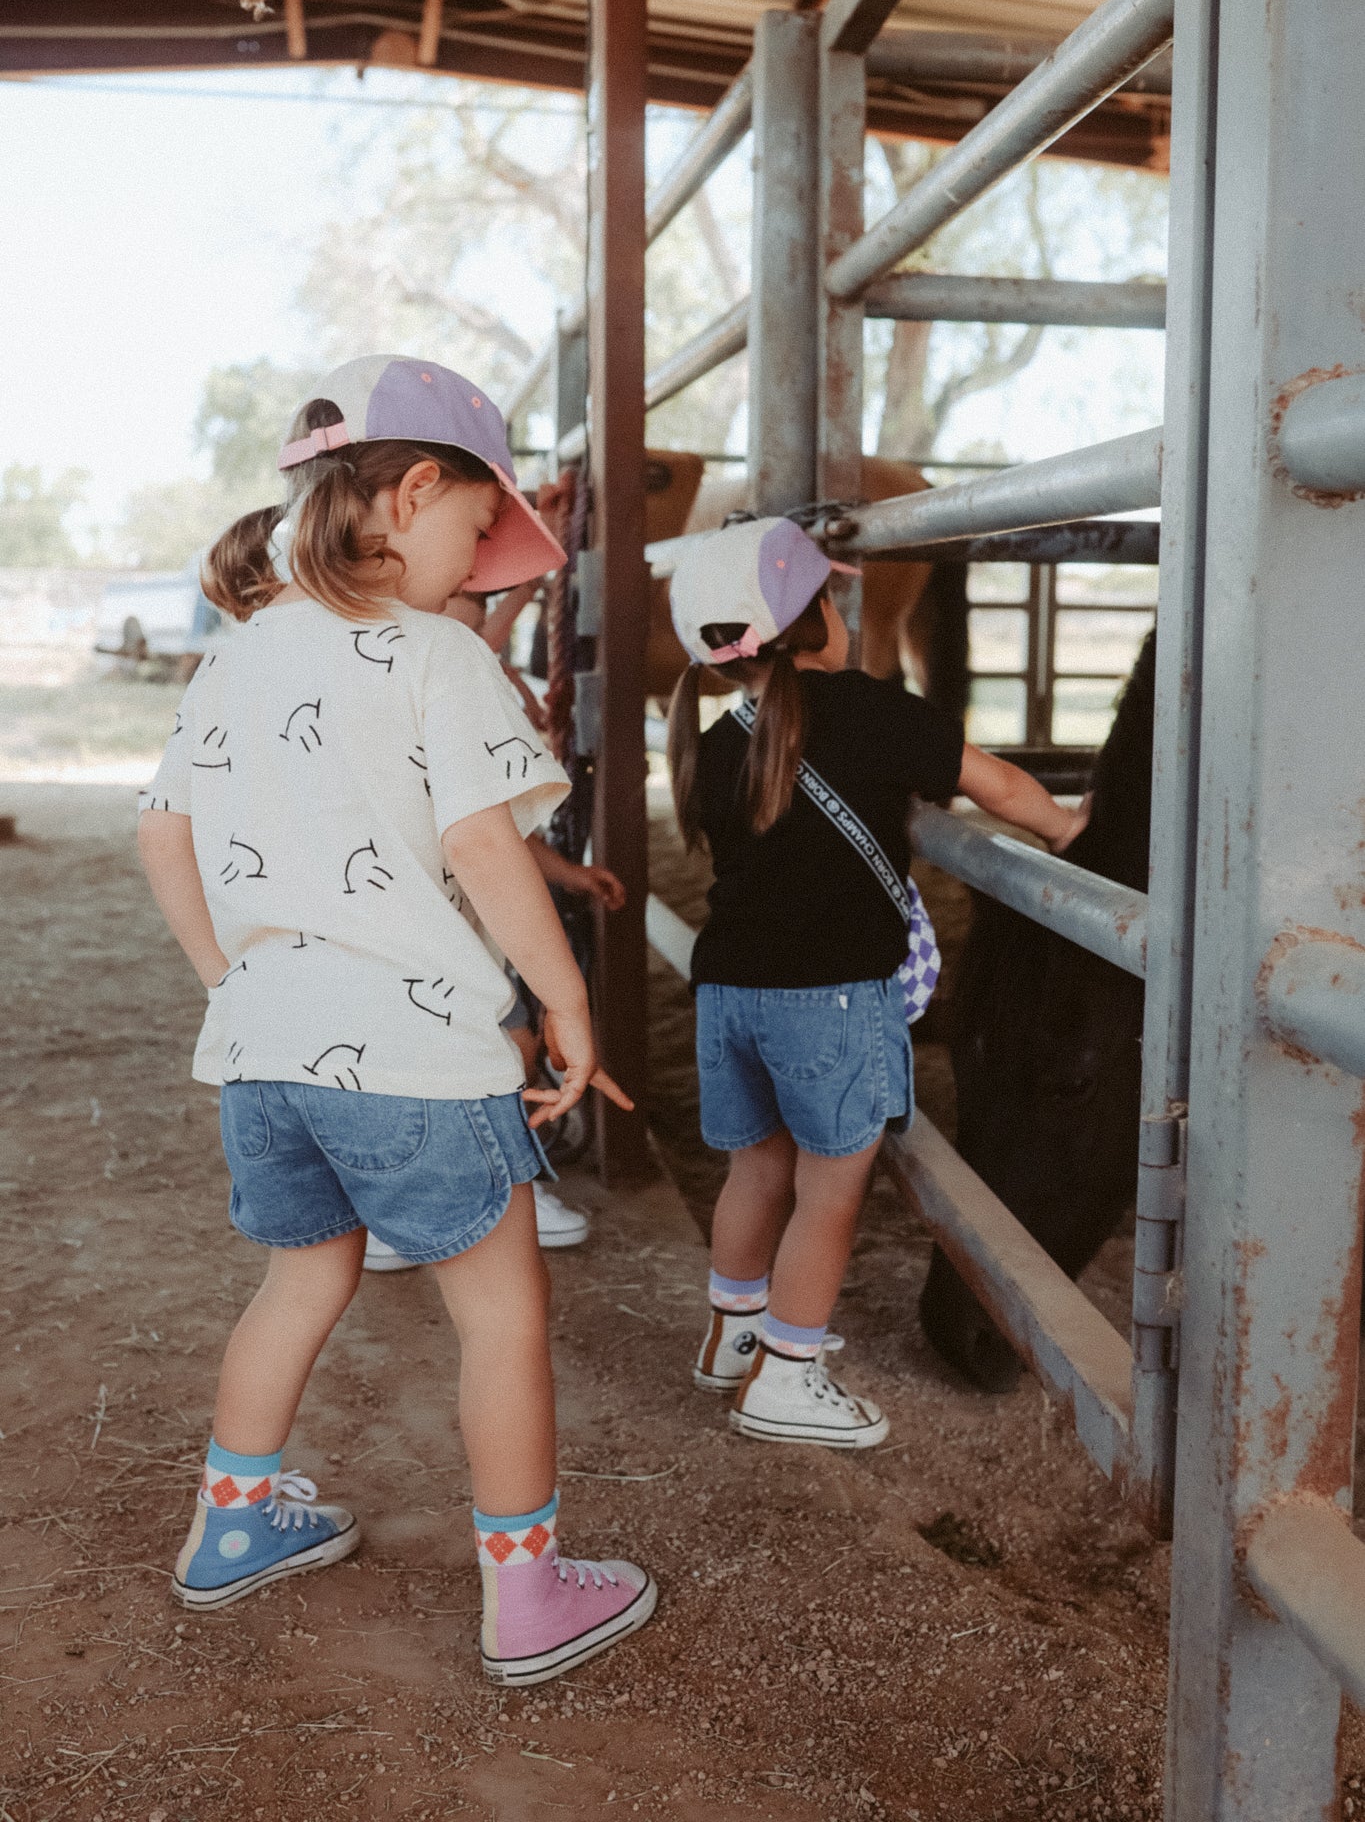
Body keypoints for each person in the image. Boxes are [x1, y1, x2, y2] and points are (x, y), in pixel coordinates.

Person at [137, 354, 656, 1684]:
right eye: (478, 531)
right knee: (499, 1312)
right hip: (417, 1057)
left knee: (301, 1275)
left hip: (263, 1051)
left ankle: (232, 1529)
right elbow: (484, 851)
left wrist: (232, 983)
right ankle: (528, 1596)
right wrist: (570, 998)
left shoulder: (236, 659)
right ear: (415, 491)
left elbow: (163, 841)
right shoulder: (435, 658)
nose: (478, 566)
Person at [666, 516, 1088, 1450]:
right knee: (830, 1190)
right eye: (831, 596)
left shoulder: (715, 740)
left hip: (727, 993)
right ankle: (789, 1374)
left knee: (756, 1167)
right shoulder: (872, 711)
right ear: (813, 623)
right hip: (830, 1000)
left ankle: (731, 1344)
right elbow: (997, 786)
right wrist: (1063, 828)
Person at [361, 583, 623, 1269]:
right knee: (508, 1044)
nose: (486, 638)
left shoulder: (375, 677)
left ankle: (397, 1217)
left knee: (458, 1052)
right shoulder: (439, 669)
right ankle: (510, 1188)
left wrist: (568, 875)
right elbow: (485, 834)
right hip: (457, 940)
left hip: (422, 936)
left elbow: (492, 823)